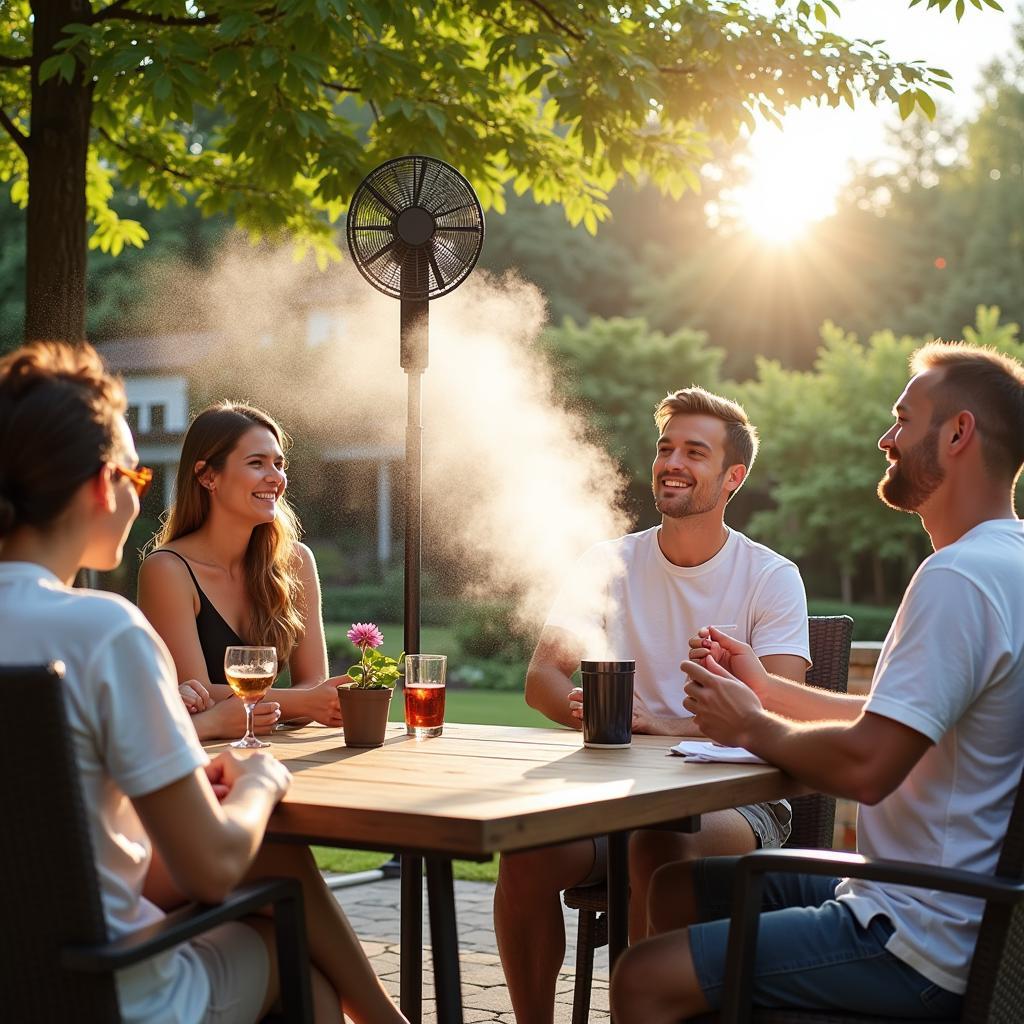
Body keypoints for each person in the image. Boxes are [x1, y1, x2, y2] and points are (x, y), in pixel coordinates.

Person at [611, 341, 1024, 1022]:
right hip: (953, 903)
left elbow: (868, 767)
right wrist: (765, 689)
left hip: (917, 936)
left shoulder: (959, 578)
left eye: (903, 419)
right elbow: (888, 717)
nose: (885, 439)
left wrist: (748, 724)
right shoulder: (1002, 560)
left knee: (642, 978)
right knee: (676, 890)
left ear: (957, 434)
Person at [0, 341, 406, 1024]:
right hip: (113, 990)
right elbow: (213, 867)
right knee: (302, 965)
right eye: (135, 475)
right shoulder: (103, 632)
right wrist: (258, 784)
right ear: (104, 486)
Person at [494, 386, 811, 1023]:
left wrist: (656, 725)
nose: (672, 462)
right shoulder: (607, 562)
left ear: (732, 477)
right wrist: (585, 710)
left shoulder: (770, 576)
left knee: (656, 845)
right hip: (613, 794)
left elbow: (784, 712)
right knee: (525, 852)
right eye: (666, 447)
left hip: (736, 799)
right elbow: (541, 680)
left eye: (695, 451)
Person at [138, 402, 344, 741]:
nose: (275, 478)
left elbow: (313, 685)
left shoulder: (296, 562)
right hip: (203, 760)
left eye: (279, 464)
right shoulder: (167, 570)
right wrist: (305, 702)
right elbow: (198, 694)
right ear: (207, 476)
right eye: (256, 464)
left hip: (275, 753)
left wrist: (307, 701)